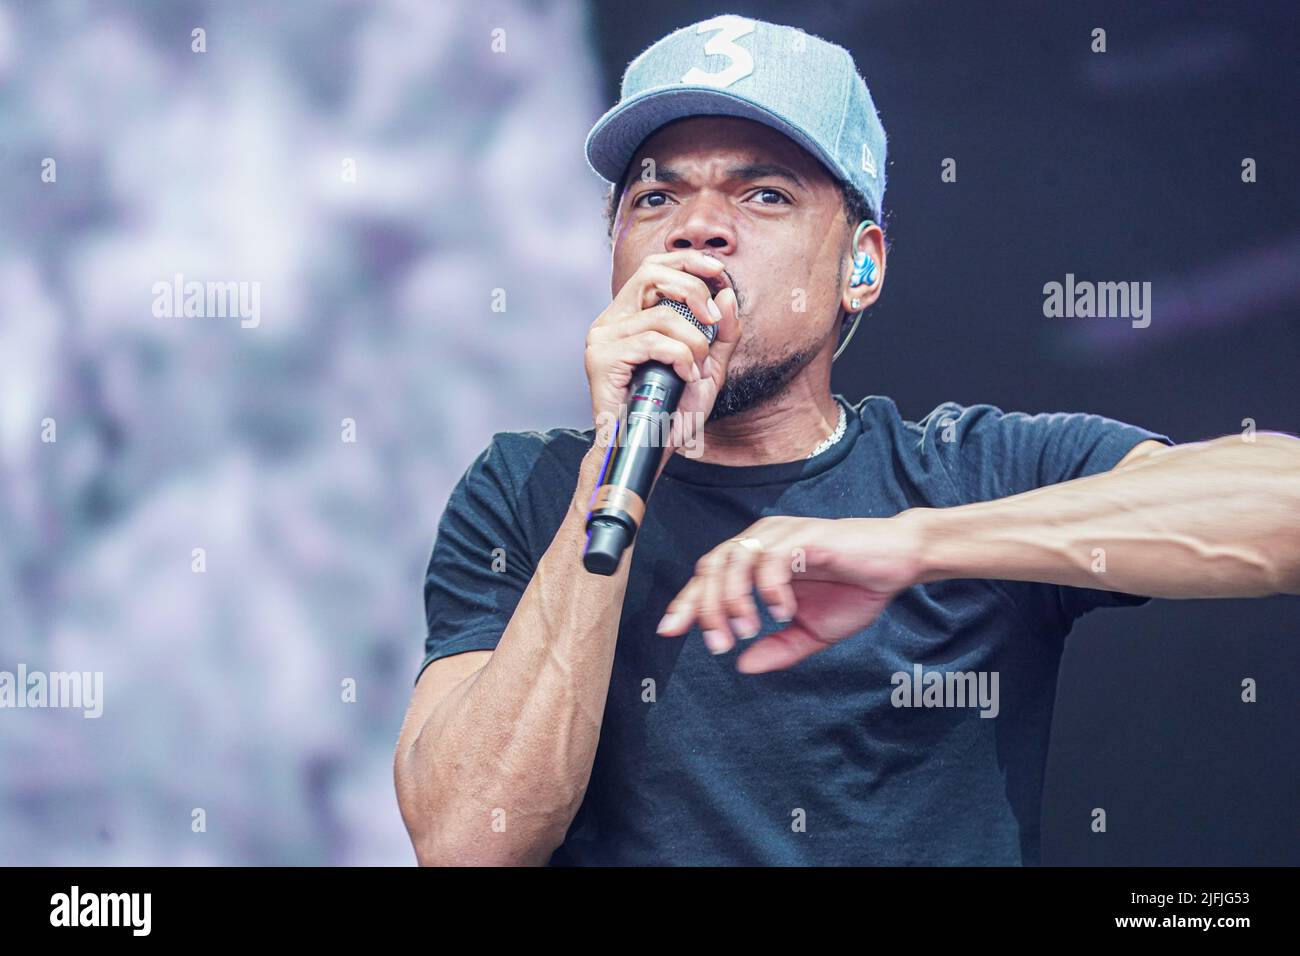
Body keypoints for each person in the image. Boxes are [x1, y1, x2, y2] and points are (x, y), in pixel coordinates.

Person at [394, 14, 1300, 866]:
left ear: (860, 265)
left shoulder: (970, 472)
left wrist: (917, 544)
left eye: (765, 193)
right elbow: (470, 840)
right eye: (656, 194)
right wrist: (613, 465)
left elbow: (1282, 506)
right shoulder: (526, 486)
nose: (696, 227)